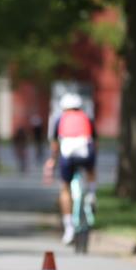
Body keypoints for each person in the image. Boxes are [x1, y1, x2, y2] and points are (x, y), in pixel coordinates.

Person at [44, 93, 96, 245]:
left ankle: (69, 228)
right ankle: (92, 194)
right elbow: (94, 141)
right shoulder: (87, 118)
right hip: (86, 153)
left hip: (68, 155)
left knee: (65, 189)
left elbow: (55, 144)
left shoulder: (60, 119)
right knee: (91, 171)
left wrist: (52, 161)